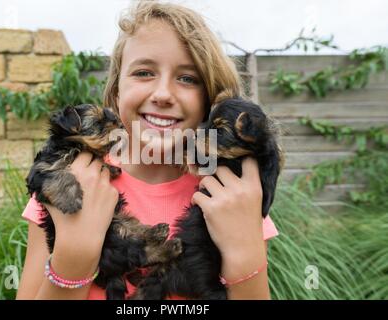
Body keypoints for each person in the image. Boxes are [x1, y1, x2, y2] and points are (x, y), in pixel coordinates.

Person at [16, 0, 279, 300]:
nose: (163, 94)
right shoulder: (67, 183)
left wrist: (245, 254)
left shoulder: (234, 196)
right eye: (143, 72)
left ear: (209, 100)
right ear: (116, 93)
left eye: (187, 78)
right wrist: (74, 260)